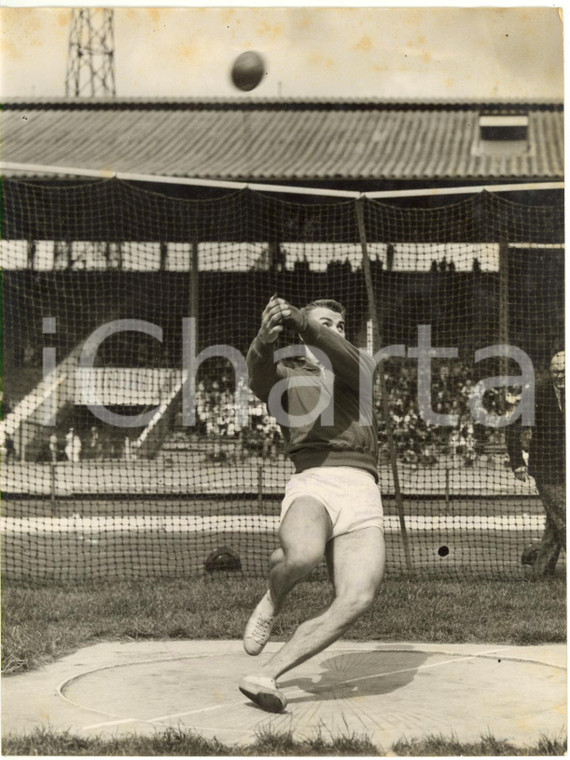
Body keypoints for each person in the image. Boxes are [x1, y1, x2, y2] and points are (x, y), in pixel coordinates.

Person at [239, 296, 385, 713]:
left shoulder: (359, 365)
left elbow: (343, 354)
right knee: (302, 556)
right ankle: (273, 596)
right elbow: (258, 374)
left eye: (340, 325)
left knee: (357, 598)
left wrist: (305, 321)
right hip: (314, 479)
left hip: (362, 487)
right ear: (300, 341)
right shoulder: (287, 375)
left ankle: (267, 674)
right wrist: (264, 341)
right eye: (327, 323)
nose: (335, 330)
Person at [506, 351, 565, 576]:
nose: (559, 376)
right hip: (546, 468)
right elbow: (512, 426)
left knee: (555, 523)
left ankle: (540, 572)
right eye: (555, 371)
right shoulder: (537, 392)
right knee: (565, 517)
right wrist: (517, 462)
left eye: (563, 372)